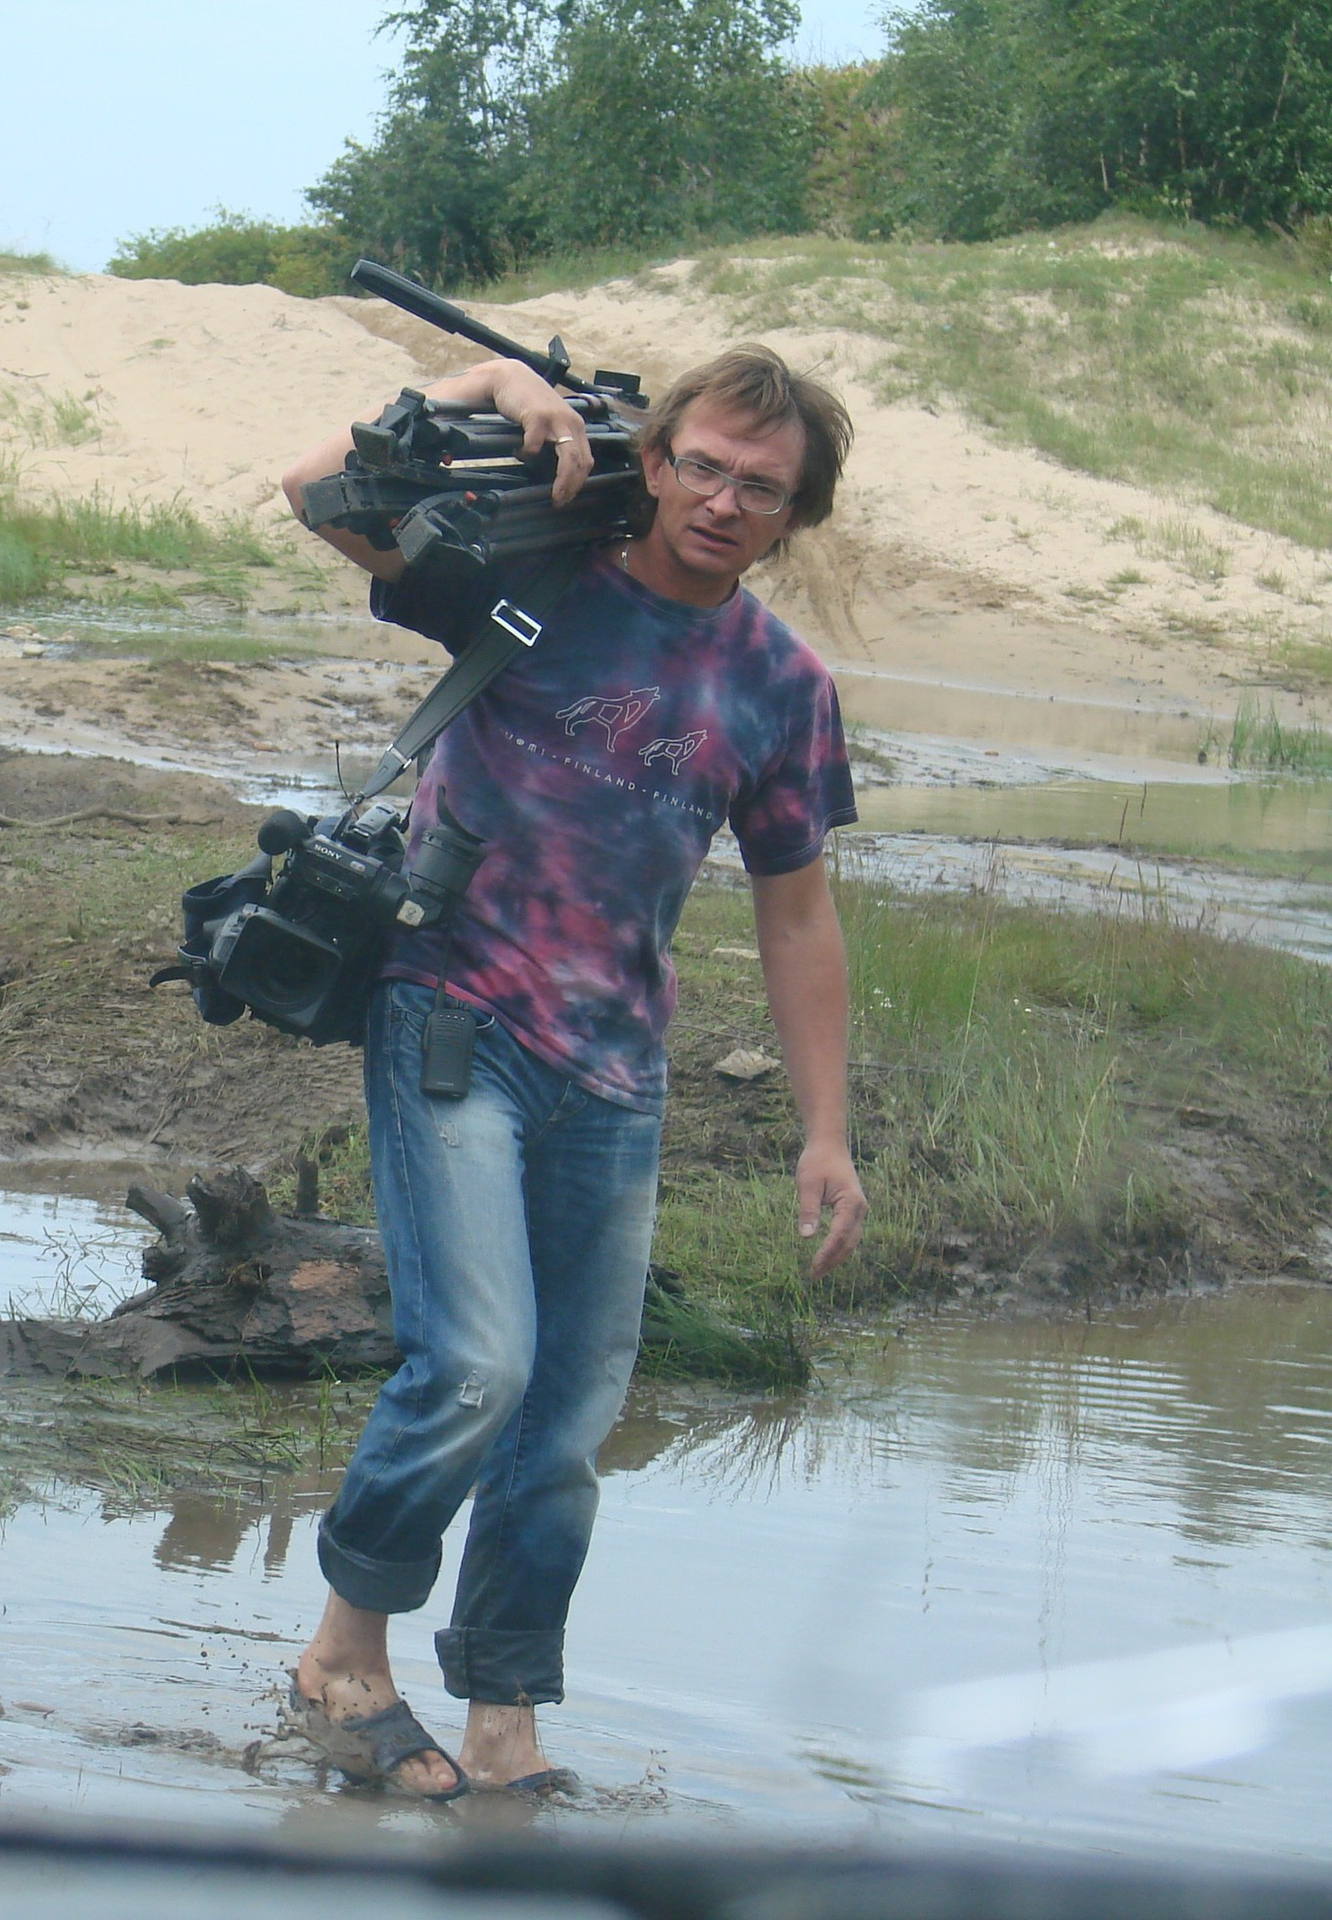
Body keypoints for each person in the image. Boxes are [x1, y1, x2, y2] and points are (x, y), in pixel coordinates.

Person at [274, 343, 869, 1800]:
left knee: (566, 1423)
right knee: (477, 1363)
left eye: (763, 489)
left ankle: (504, 1724)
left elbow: (796, 912)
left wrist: (826, 1132)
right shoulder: (530, 575)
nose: (725, 503)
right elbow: (310, 493)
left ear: (796, 516)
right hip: (454, 1018)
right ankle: (344, 1653)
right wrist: (487, 387)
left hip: (615, 1074)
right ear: (655, 462)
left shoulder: (783, 686)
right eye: (706, 467)